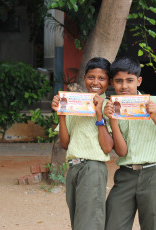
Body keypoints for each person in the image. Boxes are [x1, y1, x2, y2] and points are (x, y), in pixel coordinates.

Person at [104, 56, 156, 230]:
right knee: (113, 225)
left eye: (130, 80)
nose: (124, 86)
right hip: (125, 176)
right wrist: (113, 120)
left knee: (152, 226)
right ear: (112, 83)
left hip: (153, 175)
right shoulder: (110, 108)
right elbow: (121, 152)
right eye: (119, 81)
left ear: (139, 81)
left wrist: (155, 118)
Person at [51, 57, 113, 230]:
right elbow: (65, 143)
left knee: (89, 223)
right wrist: (61, 114)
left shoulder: (109, 106)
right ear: (84, 77)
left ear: (108, 82)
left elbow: (107, 147)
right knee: (78, 220)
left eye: (102, 78)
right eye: (91, 77)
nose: (95, 82)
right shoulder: (74, 104)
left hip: (93, 168)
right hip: (74, 168)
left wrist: (99, 114)